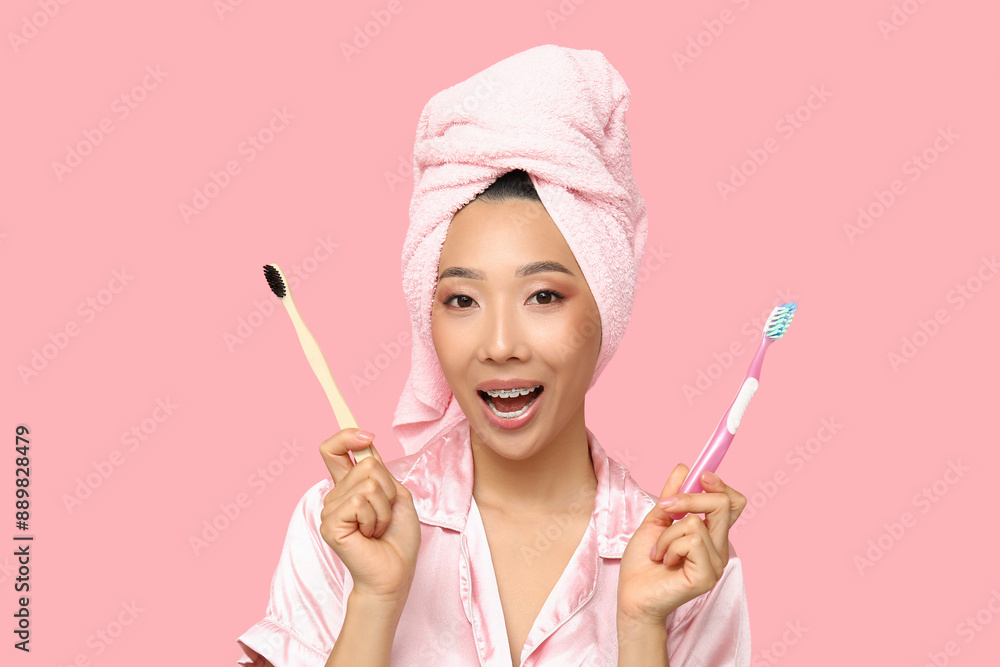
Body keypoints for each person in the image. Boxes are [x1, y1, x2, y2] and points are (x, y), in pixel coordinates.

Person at [237, 46, 751, 667]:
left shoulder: (686, 563)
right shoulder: (340, 529)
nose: (500, 345)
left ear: (605, 310)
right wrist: (373, 601)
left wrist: (642, 628)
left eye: (542, 295)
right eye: (461, 299)